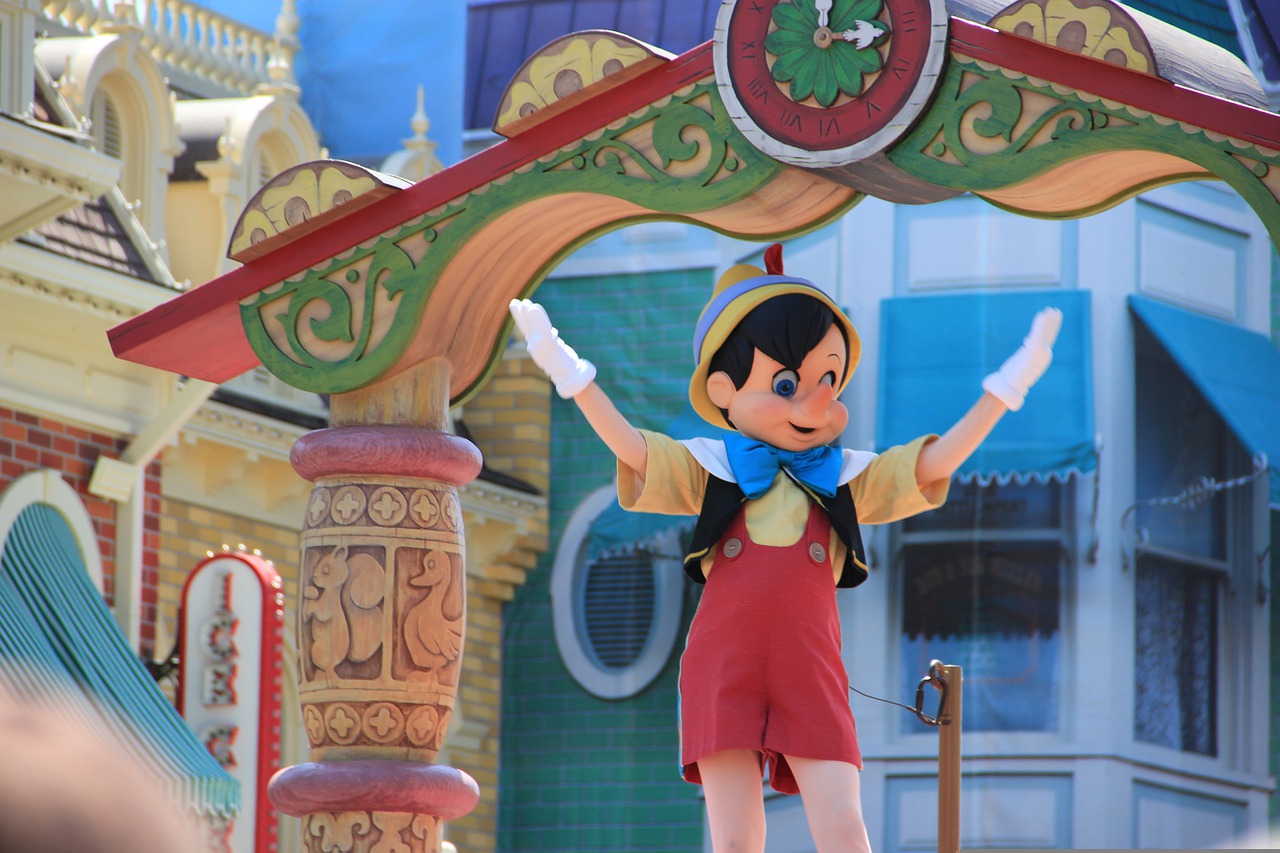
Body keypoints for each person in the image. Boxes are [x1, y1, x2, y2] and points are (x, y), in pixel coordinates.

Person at [509, 244, 1060, 852]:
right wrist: (569, 372)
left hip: (810, 667)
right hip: (723, 664)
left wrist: (1006, 388)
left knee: (844, 827)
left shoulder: (845, 477)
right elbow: (635, 448)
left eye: (829, 380)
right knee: (736, 839)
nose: (817, 401)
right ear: (723, 389)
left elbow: (931, 464)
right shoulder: (713, 467)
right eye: (787, 383)